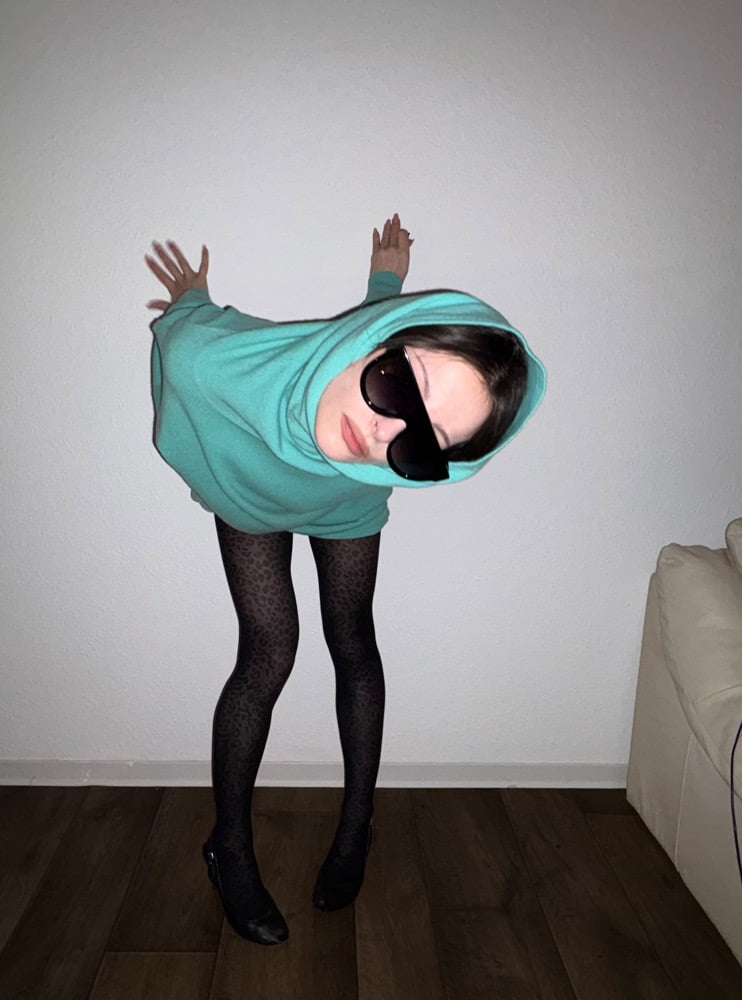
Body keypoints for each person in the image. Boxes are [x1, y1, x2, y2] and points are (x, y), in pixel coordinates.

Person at [145, 213, 546, 946]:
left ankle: (357, 828)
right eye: (399, 382)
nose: (385, 431)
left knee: (353, 642)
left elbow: (374, 332)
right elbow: (183, 343)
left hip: (345, 500)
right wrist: (192, 300)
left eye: (425, 443)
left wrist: (385, 280)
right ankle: (228, 848)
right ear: (381, 344)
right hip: (250, 493)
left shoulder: (373, 441)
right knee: (270, 652)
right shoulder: (212, 363)